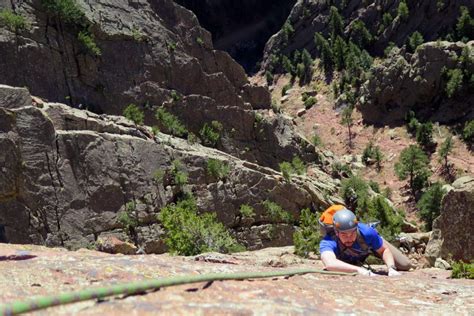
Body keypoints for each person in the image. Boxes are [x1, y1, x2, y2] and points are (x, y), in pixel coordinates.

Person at [319, 208, 412, 276]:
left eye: (352, 233)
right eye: (344, 235)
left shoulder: (366, 232)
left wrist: (391, 268)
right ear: (336, 232)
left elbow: (384, 251)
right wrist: (359, 270)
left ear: (356, 229)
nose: (349, 238)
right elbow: (330, 263)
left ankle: (379, 240)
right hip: (354, 259)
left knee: (405, 265)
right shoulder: (328, 241)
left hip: (369, 244)